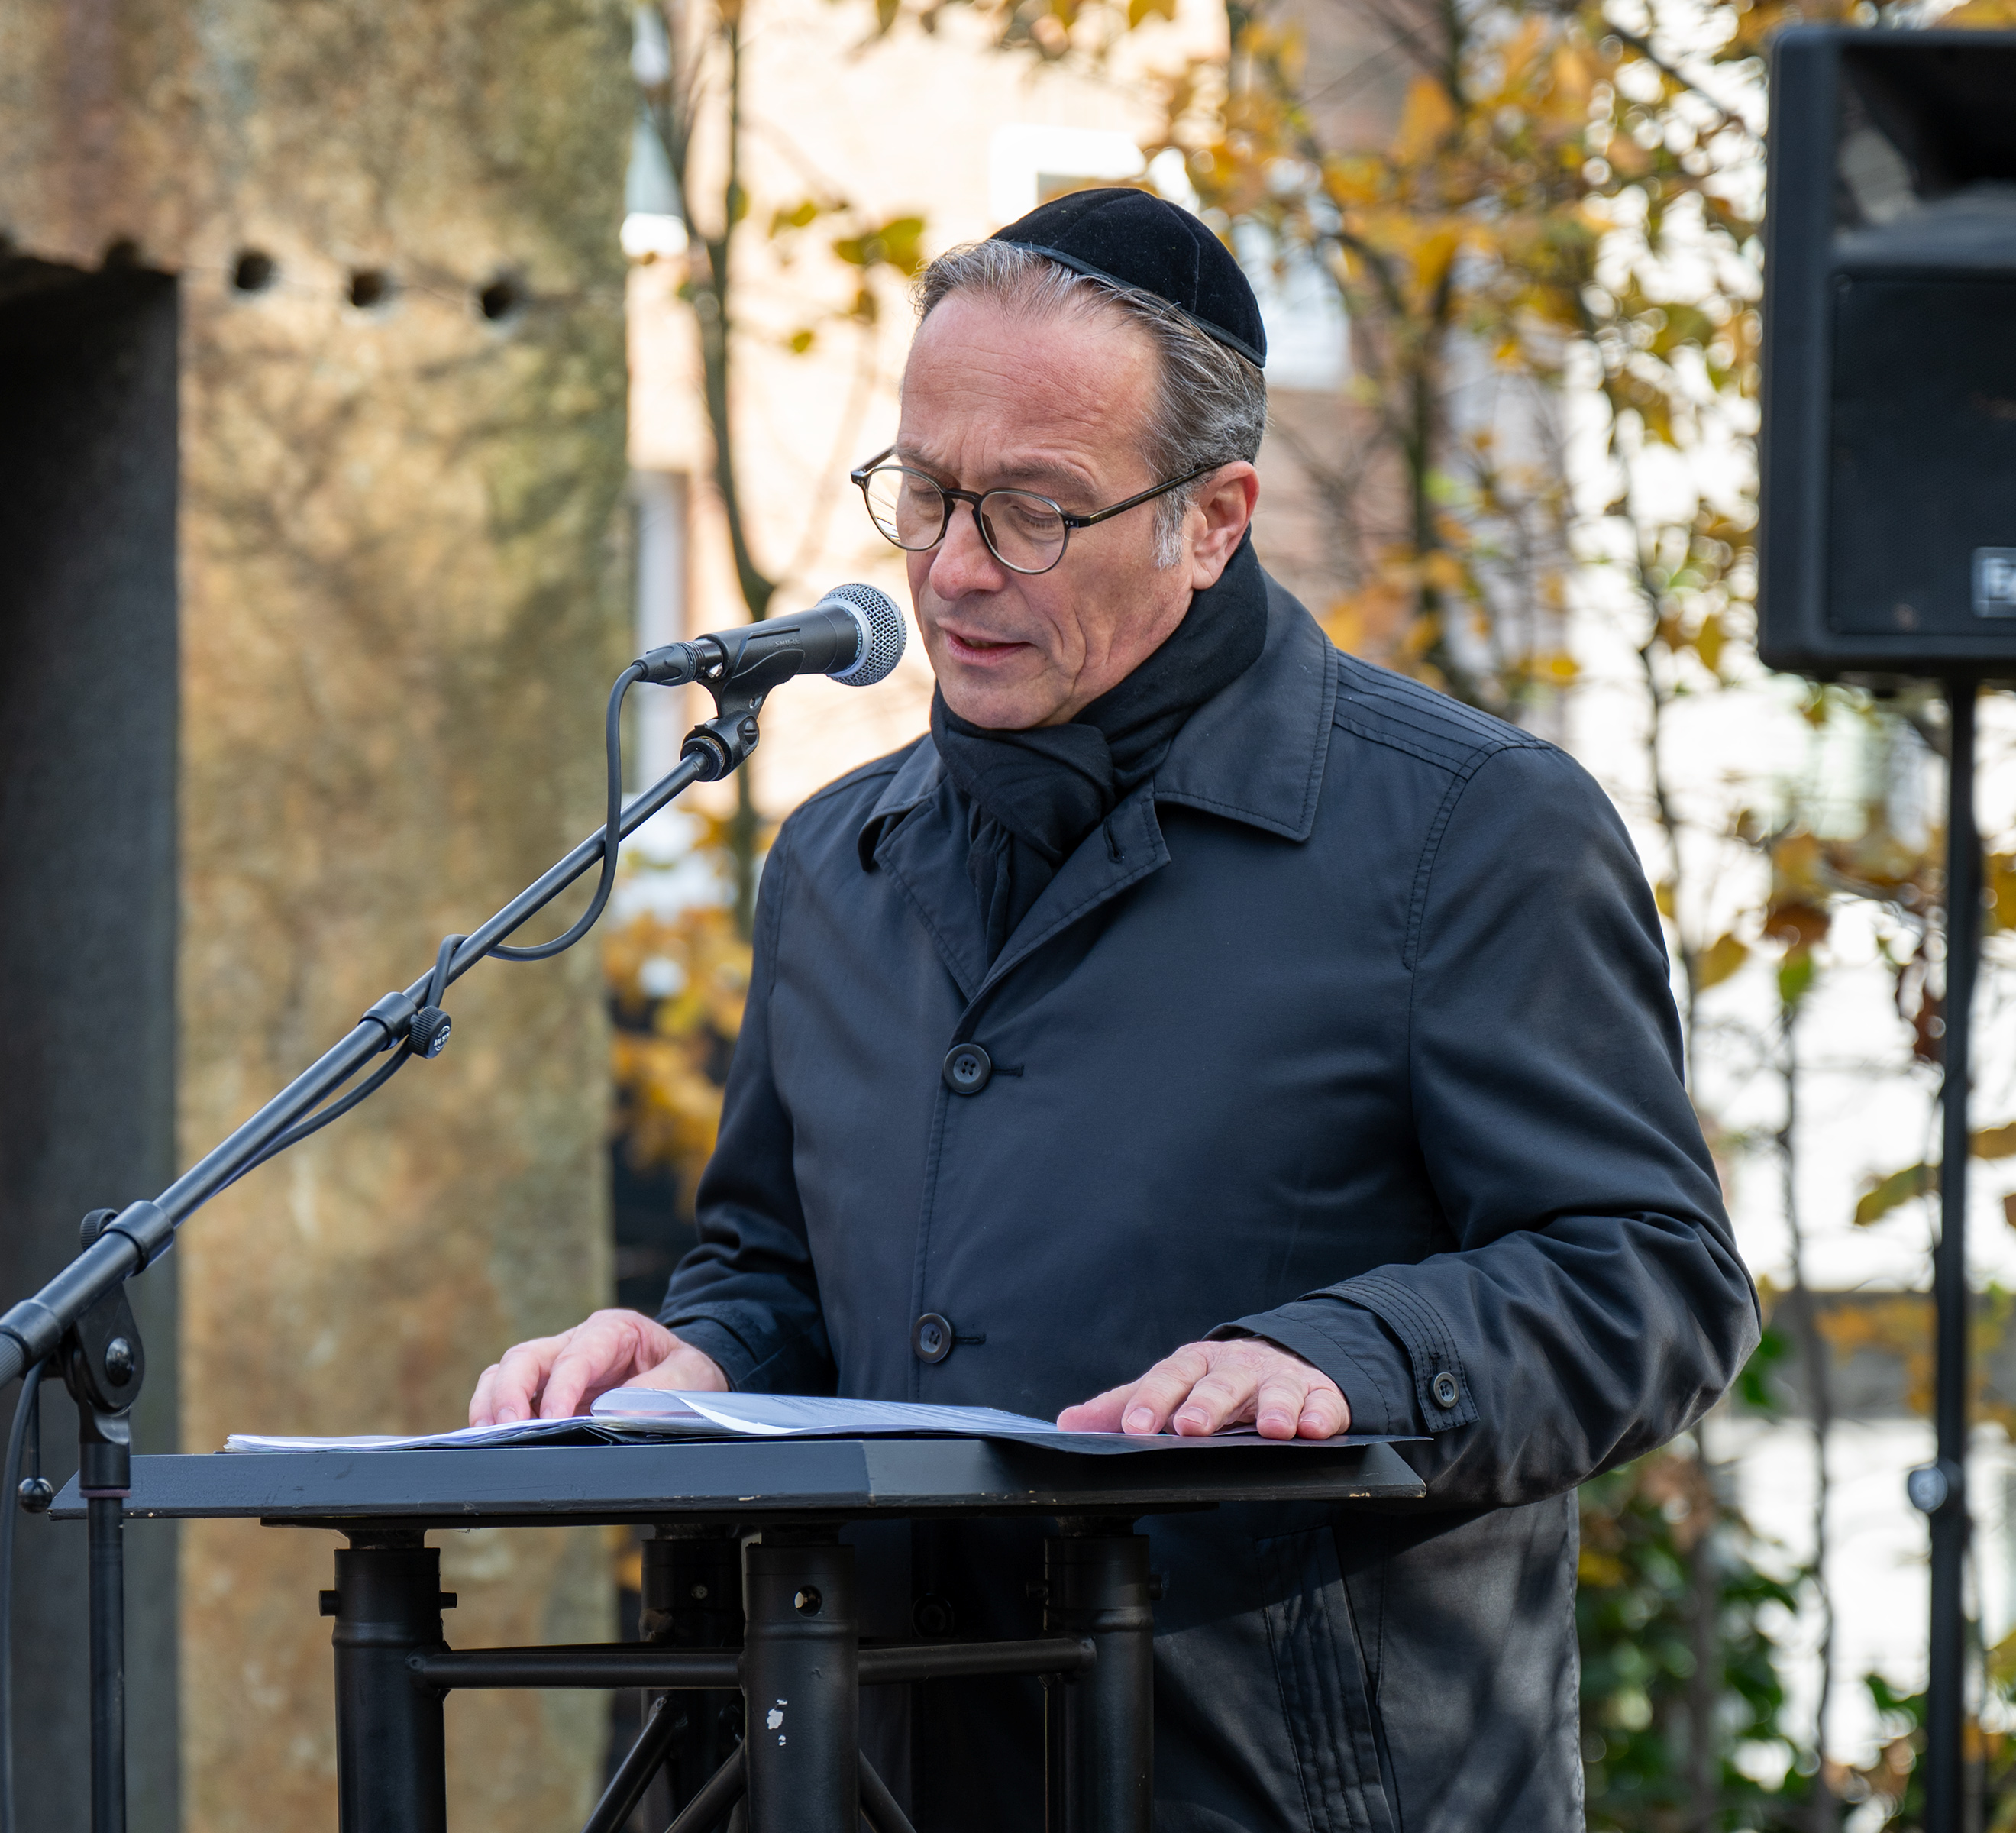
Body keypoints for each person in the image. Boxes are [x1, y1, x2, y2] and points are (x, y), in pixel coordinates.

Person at [470, 189, 1754, 1829]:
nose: (950, 569)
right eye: (925, 492)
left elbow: (1650, 1278)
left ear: (1213, 520)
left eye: (1030, 510)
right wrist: (696, 1349)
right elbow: (780, 1268)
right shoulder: (834, 865)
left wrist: (1351, 1354)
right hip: (876, 1782)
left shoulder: (1467, 832)